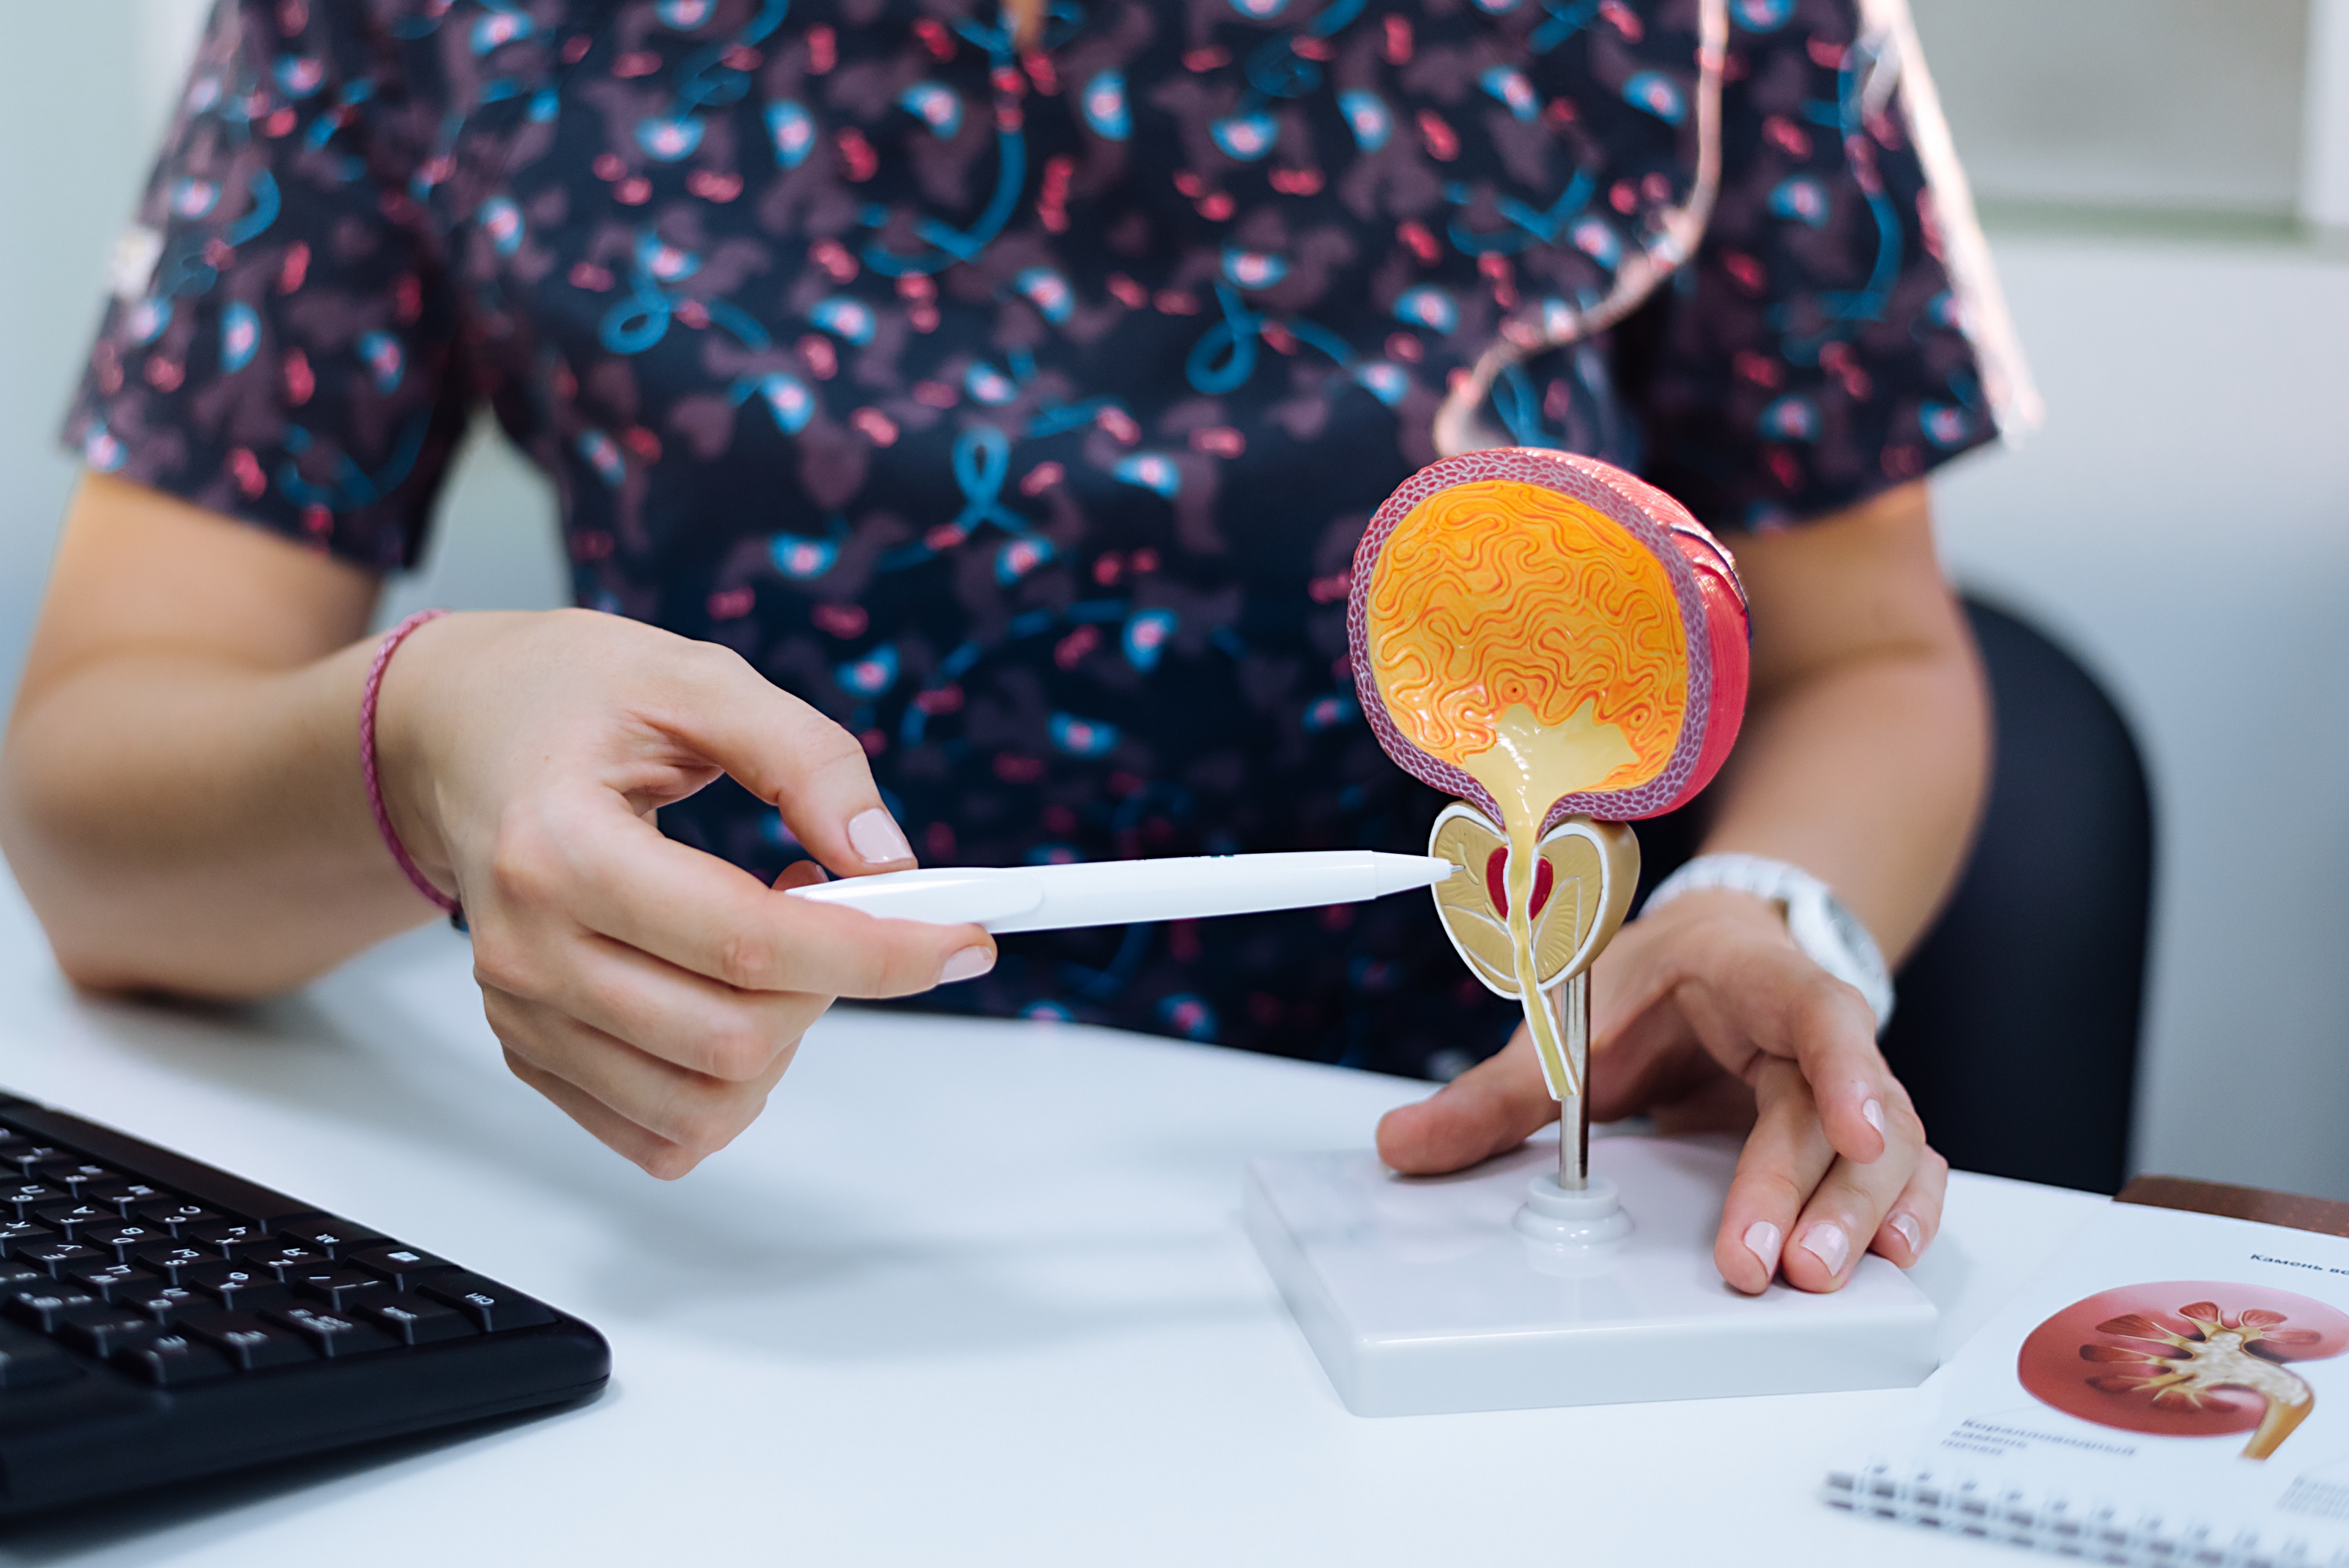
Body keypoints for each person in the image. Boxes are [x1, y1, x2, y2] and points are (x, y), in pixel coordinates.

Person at [1, 0, 2028, 1295]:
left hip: (1453, 1258)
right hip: (715, 1270)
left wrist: (1775, 901)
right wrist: (424, 743)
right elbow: (92, 811)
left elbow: (1871, 659)